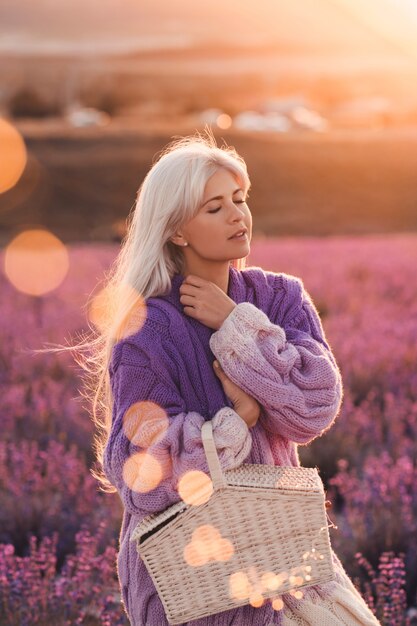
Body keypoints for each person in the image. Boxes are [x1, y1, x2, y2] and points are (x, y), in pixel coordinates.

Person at [96, 129, 381, 625]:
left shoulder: (280, 298)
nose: (237, 215)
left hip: (285, 558)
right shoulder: (144, 331)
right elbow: (139, 471)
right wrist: (235, 420)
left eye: (240, 199)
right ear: (177, 229)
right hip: (192, 581)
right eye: (214, 207)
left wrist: (236, 325)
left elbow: (315, 405)